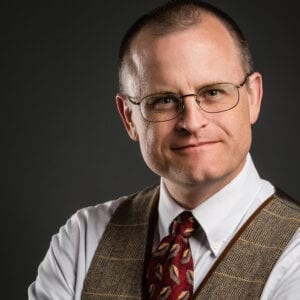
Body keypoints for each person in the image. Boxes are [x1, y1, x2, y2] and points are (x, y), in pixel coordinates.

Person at [28, 0, 300, 299]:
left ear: (253, 97)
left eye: (212, 92)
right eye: (164, 100)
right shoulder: (83, 238)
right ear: (129, 117)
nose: (192, 122)